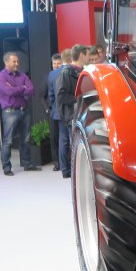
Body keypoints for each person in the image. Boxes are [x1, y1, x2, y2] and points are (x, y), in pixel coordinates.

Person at [0, 52, 41, 176]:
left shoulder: (23, 75)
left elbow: (31, 90)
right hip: (10, 112)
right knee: (8, 141)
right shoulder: (0, 77)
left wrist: (16, 88)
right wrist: (22, 87)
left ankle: (27, 164)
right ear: (6, 62)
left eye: (18, 61)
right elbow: (8, 91)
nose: (17, 64)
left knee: (26, 139)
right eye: (14, 61)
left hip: (24, 111)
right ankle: (6, 167)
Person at [55, 45, 86, 179]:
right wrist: (79, 99)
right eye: (88, 55)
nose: (89, 58)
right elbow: (61, 96)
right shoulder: (66, 73)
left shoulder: (81, 71)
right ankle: (73, 174)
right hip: (72, 115)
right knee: (73, 145)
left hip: (80, 114)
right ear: (82, 55)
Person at [45, 53, 64, 171]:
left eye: (58, 64)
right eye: (54, 64)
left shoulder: (65, 75)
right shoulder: (49, 76)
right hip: (53, 112)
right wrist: (48, 109)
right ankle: (56, 162)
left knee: (63, 138)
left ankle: (64, 162)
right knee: (54, 138)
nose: (56, 66)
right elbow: (42, 95)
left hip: (62, 112)